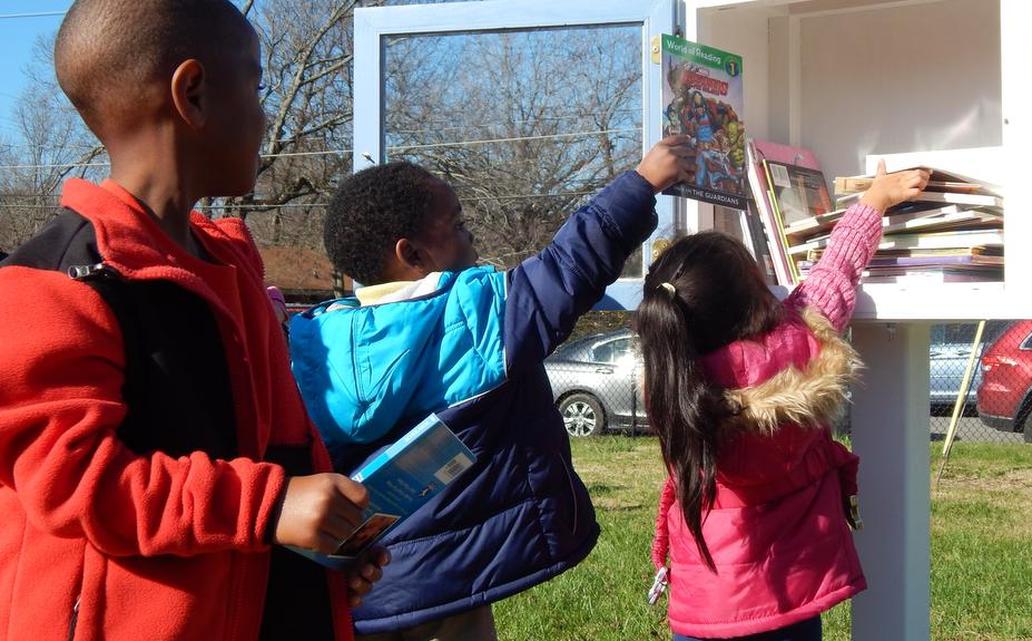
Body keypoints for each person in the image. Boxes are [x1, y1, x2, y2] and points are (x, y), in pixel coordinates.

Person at [0, 2, 385, 639]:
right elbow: (77, 485)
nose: (264, 115)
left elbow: (279, 461)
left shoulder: (232, 268)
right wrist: (270, 509)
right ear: (194, 94)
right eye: (256, 86)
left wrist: (318, 545)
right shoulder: (50, 286)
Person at [289, 137, 697, 639]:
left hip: (358, 588)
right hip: (450, 585)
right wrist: (642, 183)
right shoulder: (473, 317)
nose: (471, 239)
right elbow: (570, 267)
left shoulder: (311, 345)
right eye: (458, 226)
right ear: (411, 253)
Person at [637, 162, 930, 641]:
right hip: (789, 601)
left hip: (703, 609)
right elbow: (836, 271)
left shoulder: (673, 380)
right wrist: (873, 202)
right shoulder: (798, 344)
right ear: (755, 298)